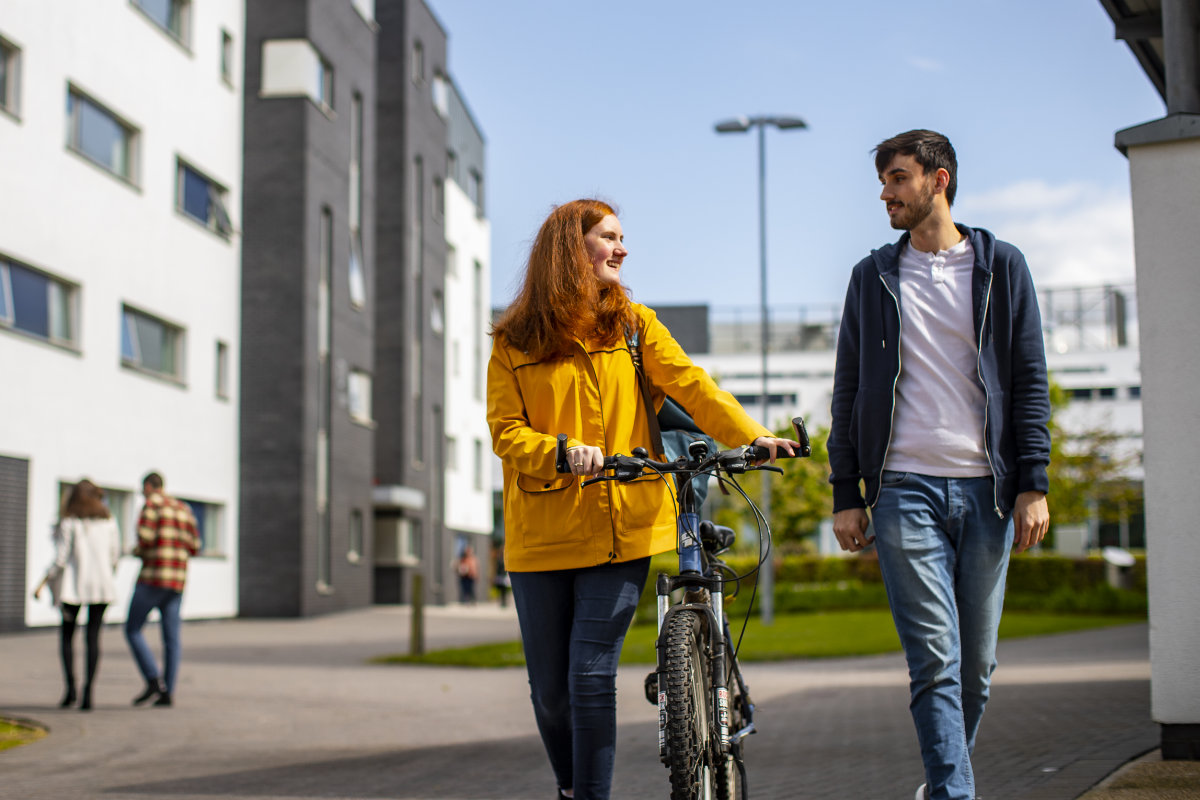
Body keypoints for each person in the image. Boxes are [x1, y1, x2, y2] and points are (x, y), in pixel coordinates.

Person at [487, 198, 797, 800]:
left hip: (621, 526)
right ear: (569, 249)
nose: (622, 249)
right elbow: (505, 430)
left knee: (590, 675)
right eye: (609, 237)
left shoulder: (634, 324)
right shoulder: (514, 340)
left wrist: (750, 435)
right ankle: (572, 788)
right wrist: (558, 449)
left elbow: (691, 385)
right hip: (542, 534)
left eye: (622, 237)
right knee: (550, 692)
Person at [827, 130, 1051, 800]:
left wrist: (1033, 483)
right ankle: (955, 793)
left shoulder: (1001, 266)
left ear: (938, 180)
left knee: (974, 669)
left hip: (988, 491)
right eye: (884, 181)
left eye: (898, 178)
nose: (885, 193)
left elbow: (1029, 378)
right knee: (934, 662)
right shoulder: (872, 277)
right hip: (903, 489)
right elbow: (848, 388)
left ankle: (939, 781)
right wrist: (847, 490)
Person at [33, 479, 120, 711]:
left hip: (74, 588)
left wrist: (45, 580)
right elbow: (115, 556)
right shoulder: (109, 521)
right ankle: (88, 692)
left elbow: (61, 559)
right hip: (101, 587)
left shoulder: (70, 522)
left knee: (67, 637)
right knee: (93, 638)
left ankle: (70, 688)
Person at [124, 471, 199, 708]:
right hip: (177, 580)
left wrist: (136, 551)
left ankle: (152, 679)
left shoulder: (151, 505)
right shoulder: (183, 508)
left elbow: (145, 538)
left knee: (133, 629)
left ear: (149, 486)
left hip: (153, 577)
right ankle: (169, 692)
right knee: (172, 639)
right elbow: (195, 546)